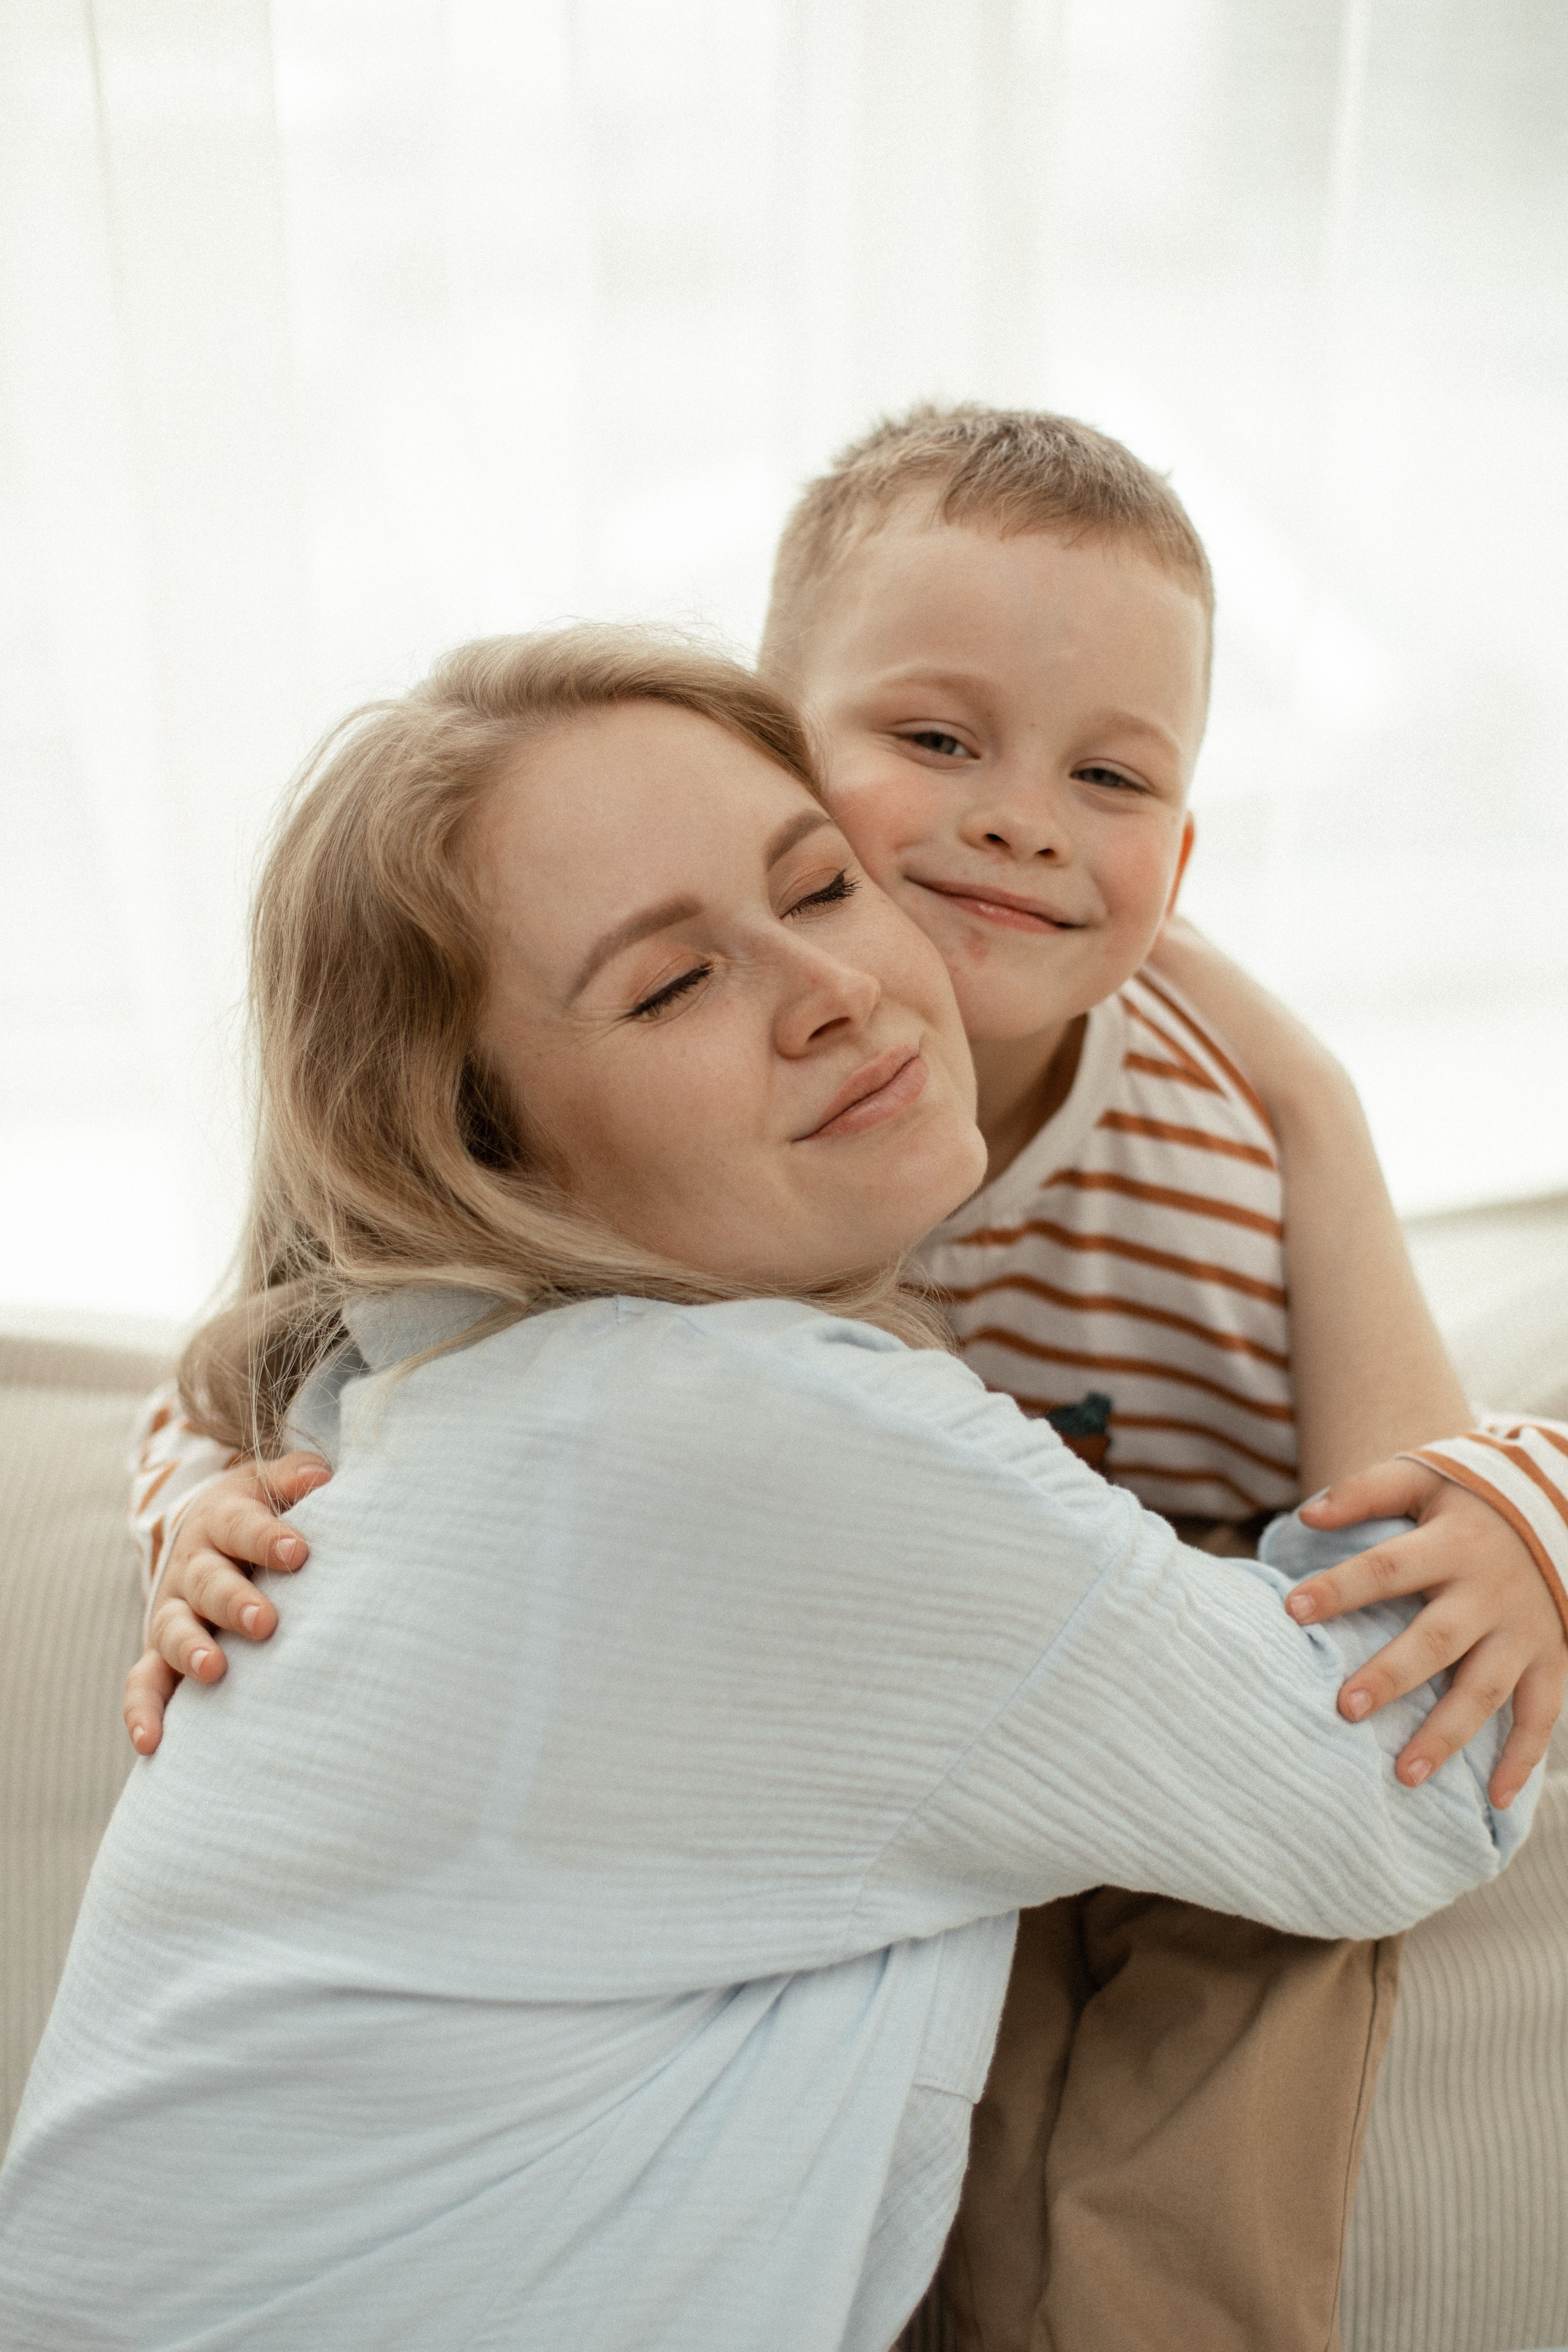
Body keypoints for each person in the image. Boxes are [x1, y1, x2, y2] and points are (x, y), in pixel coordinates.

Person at [121, 413, 1568, 2352]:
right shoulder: (686, 1379)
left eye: (1110, 775)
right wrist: (191, 1513)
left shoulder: (1200, 1164)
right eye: (937, 746)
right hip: (948, 1667)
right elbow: (277, 1352)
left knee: (1246, 1974)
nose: (1019, 827)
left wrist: (1319, 1119)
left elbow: (1364, 1623)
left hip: (1136, 1633)